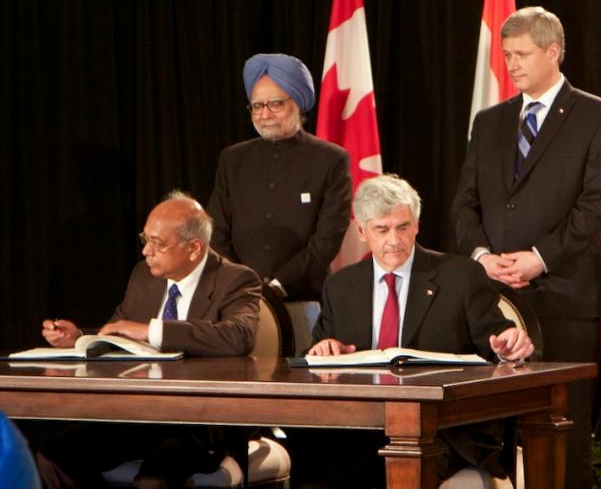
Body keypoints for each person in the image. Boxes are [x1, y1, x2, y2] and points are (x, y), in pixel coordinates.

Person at [452, 6, 601, 489]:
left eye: (522, 54)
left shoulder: (598, 117)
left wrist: (539, 258)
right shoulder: (489, 121)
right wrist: (484, 257)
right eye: (507, 55)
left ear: (552, 52)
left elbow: (594, 207)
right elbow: (464, 204)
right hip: (495, 300)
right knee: (494, 432)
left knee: (564, 434)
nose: (513, 65)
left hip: (565, 298)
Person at [290, 174, 533, 488]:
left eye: (403, 227)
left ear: (417, 224)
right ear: (362, 231)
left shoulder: (461, 277)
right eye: (382, 229)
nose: (394, 240)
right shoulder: (340, 286)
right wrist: (323, 349)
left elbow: (498, 343)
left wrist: (509, 347)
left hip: (444, 430)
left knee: (395, 465)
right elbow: (315, 355)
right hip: (362, 428)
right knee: (311, 454)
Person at [36, 190, 261, 489]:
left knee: (154, 481)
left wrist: (154, 330)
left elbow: (240, 336)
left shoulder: (235, 279)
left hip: (198, 422)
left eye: (158, 244)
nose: (146, 252)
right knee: (54, 455)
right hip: (136, 414)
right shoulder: (144, 276)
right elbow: (122, 332)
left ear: (194, 248)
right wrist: (81, 338)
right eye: (146, 240)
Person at [208, 53, 352, 304]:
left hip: (304, 298)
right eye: (257, 105)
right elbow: (216, 229)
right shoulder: (232, 159)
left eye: (275, 103)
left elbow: (327, 238)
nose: (264, 114)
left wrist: (280, 285)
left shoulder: (330, 159)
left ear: (297, 102)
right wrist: (240, 283)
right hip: (237, 298)